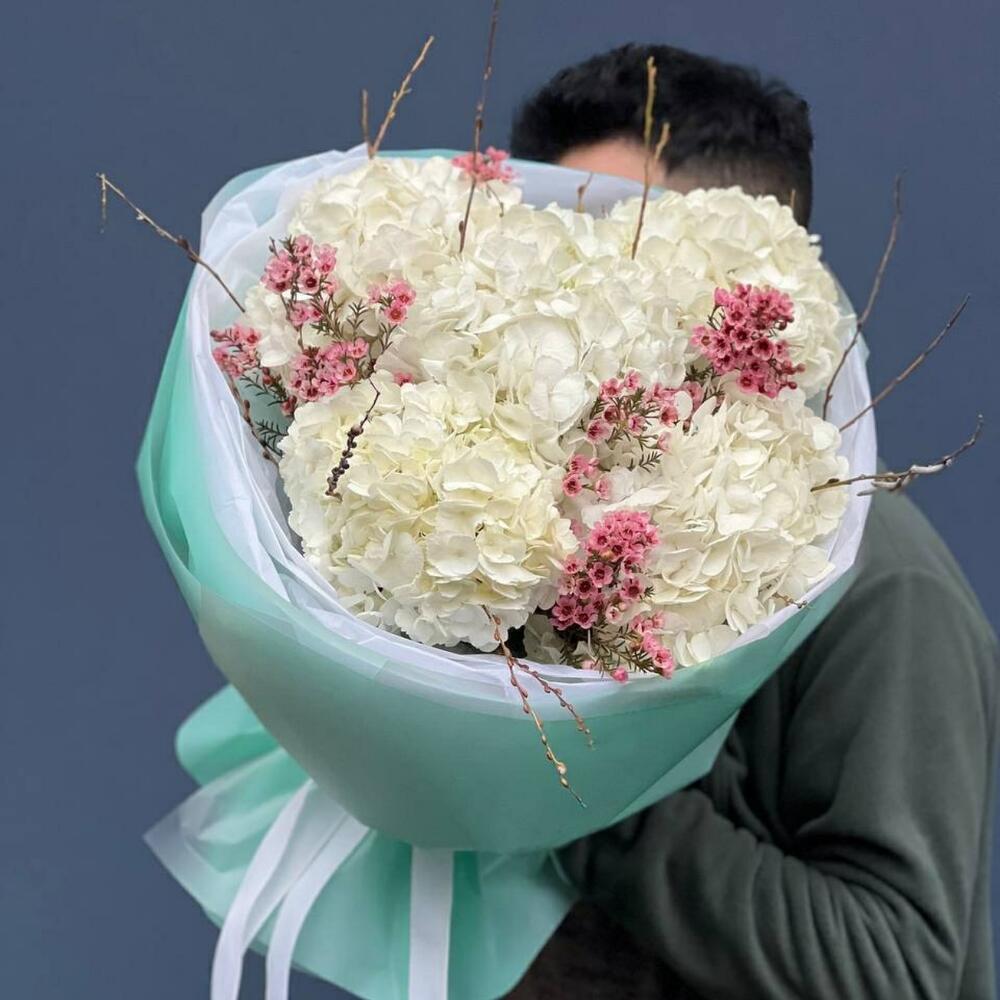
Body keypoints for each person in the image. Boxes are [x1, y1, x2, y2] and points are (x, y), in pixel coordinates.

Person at [506, 44, 999, 1000]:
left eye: (617, 246)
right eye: (545, 243)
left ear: (757, 276)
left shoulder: (877, 581)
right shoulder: (524, 532)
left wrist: (566, 785)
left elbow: (892, 969)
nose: (567, 290)